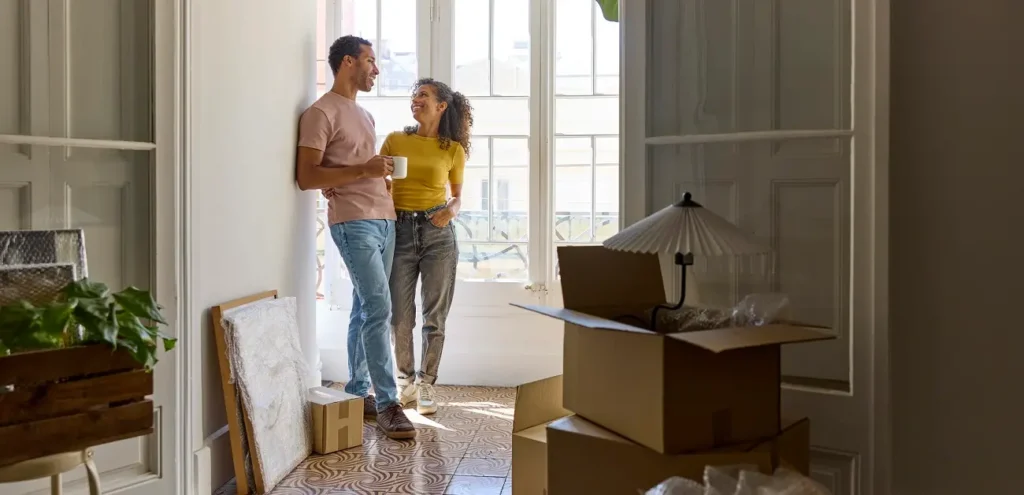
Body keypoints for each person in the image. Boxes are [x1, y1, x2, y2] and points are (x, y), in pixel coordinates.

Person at [295, 35, 416, 440]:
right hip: (353, 222)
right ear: (348, 62)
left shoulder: (363, 115)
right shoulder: (319, 113)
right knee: (380, 308)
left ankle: (358, 390)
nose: (376, 69)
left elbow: (356, 167)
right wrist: (363, 171)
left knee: (364, 308)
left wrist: (378, 180)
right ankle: (388, 403)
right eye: (370, 60)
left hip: (384, 220)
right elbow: (307, 176)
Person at [380, 78, 472, 415]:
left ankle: (427, 384)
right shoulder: (395, 140)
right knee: (400, 317)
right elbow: (377, 182)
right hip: (399, 229)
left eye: (423, 95)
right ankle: (406, 383)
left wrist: (450, 211)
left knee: (435, 316)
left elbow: (458, 198)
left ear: (441, 106)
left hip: (438, 233)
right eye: (413, 95)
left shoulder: (453, 149)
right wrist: (383, 182)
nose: (415, 100)